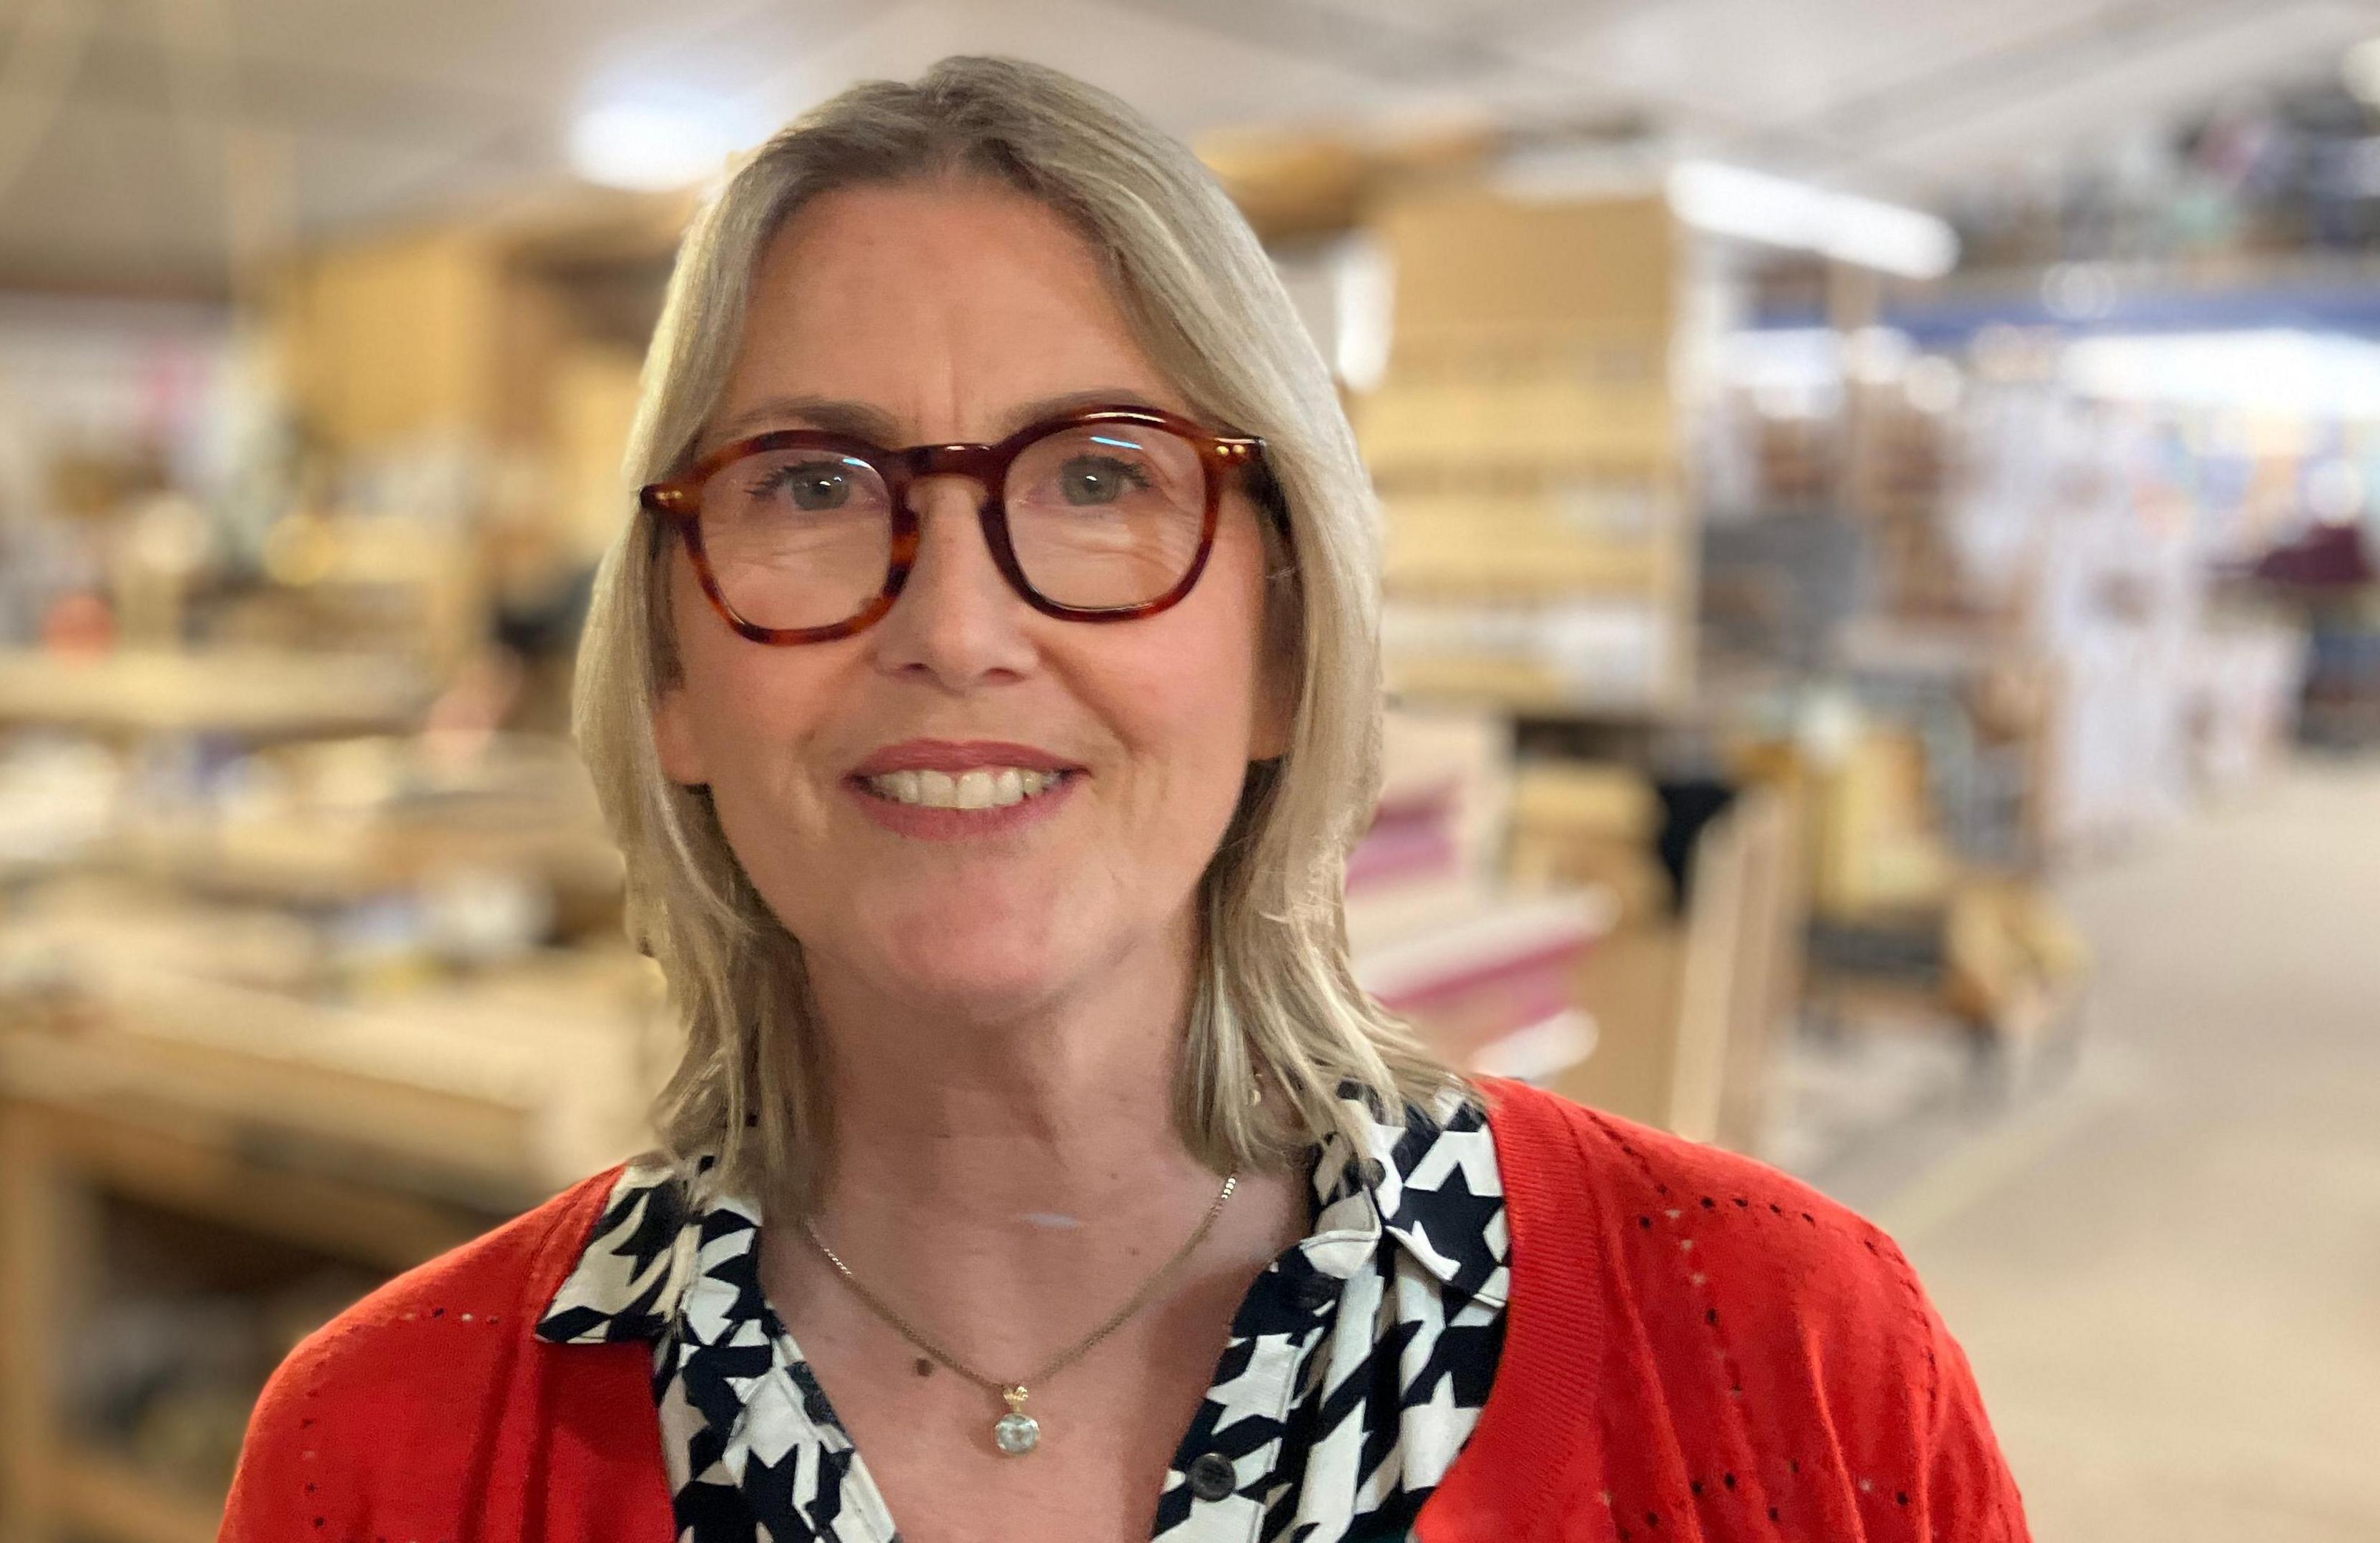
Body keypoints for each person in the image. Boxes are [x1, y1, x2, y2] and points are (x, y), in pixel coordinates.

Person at [220, 56, 2026, 1543]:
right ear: (677, 674)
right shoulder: (389, 1458)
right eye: (813, 484)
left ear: (1286, 644)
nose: (955, 624)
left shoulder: (1785, 1369)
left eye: (1098, 476)